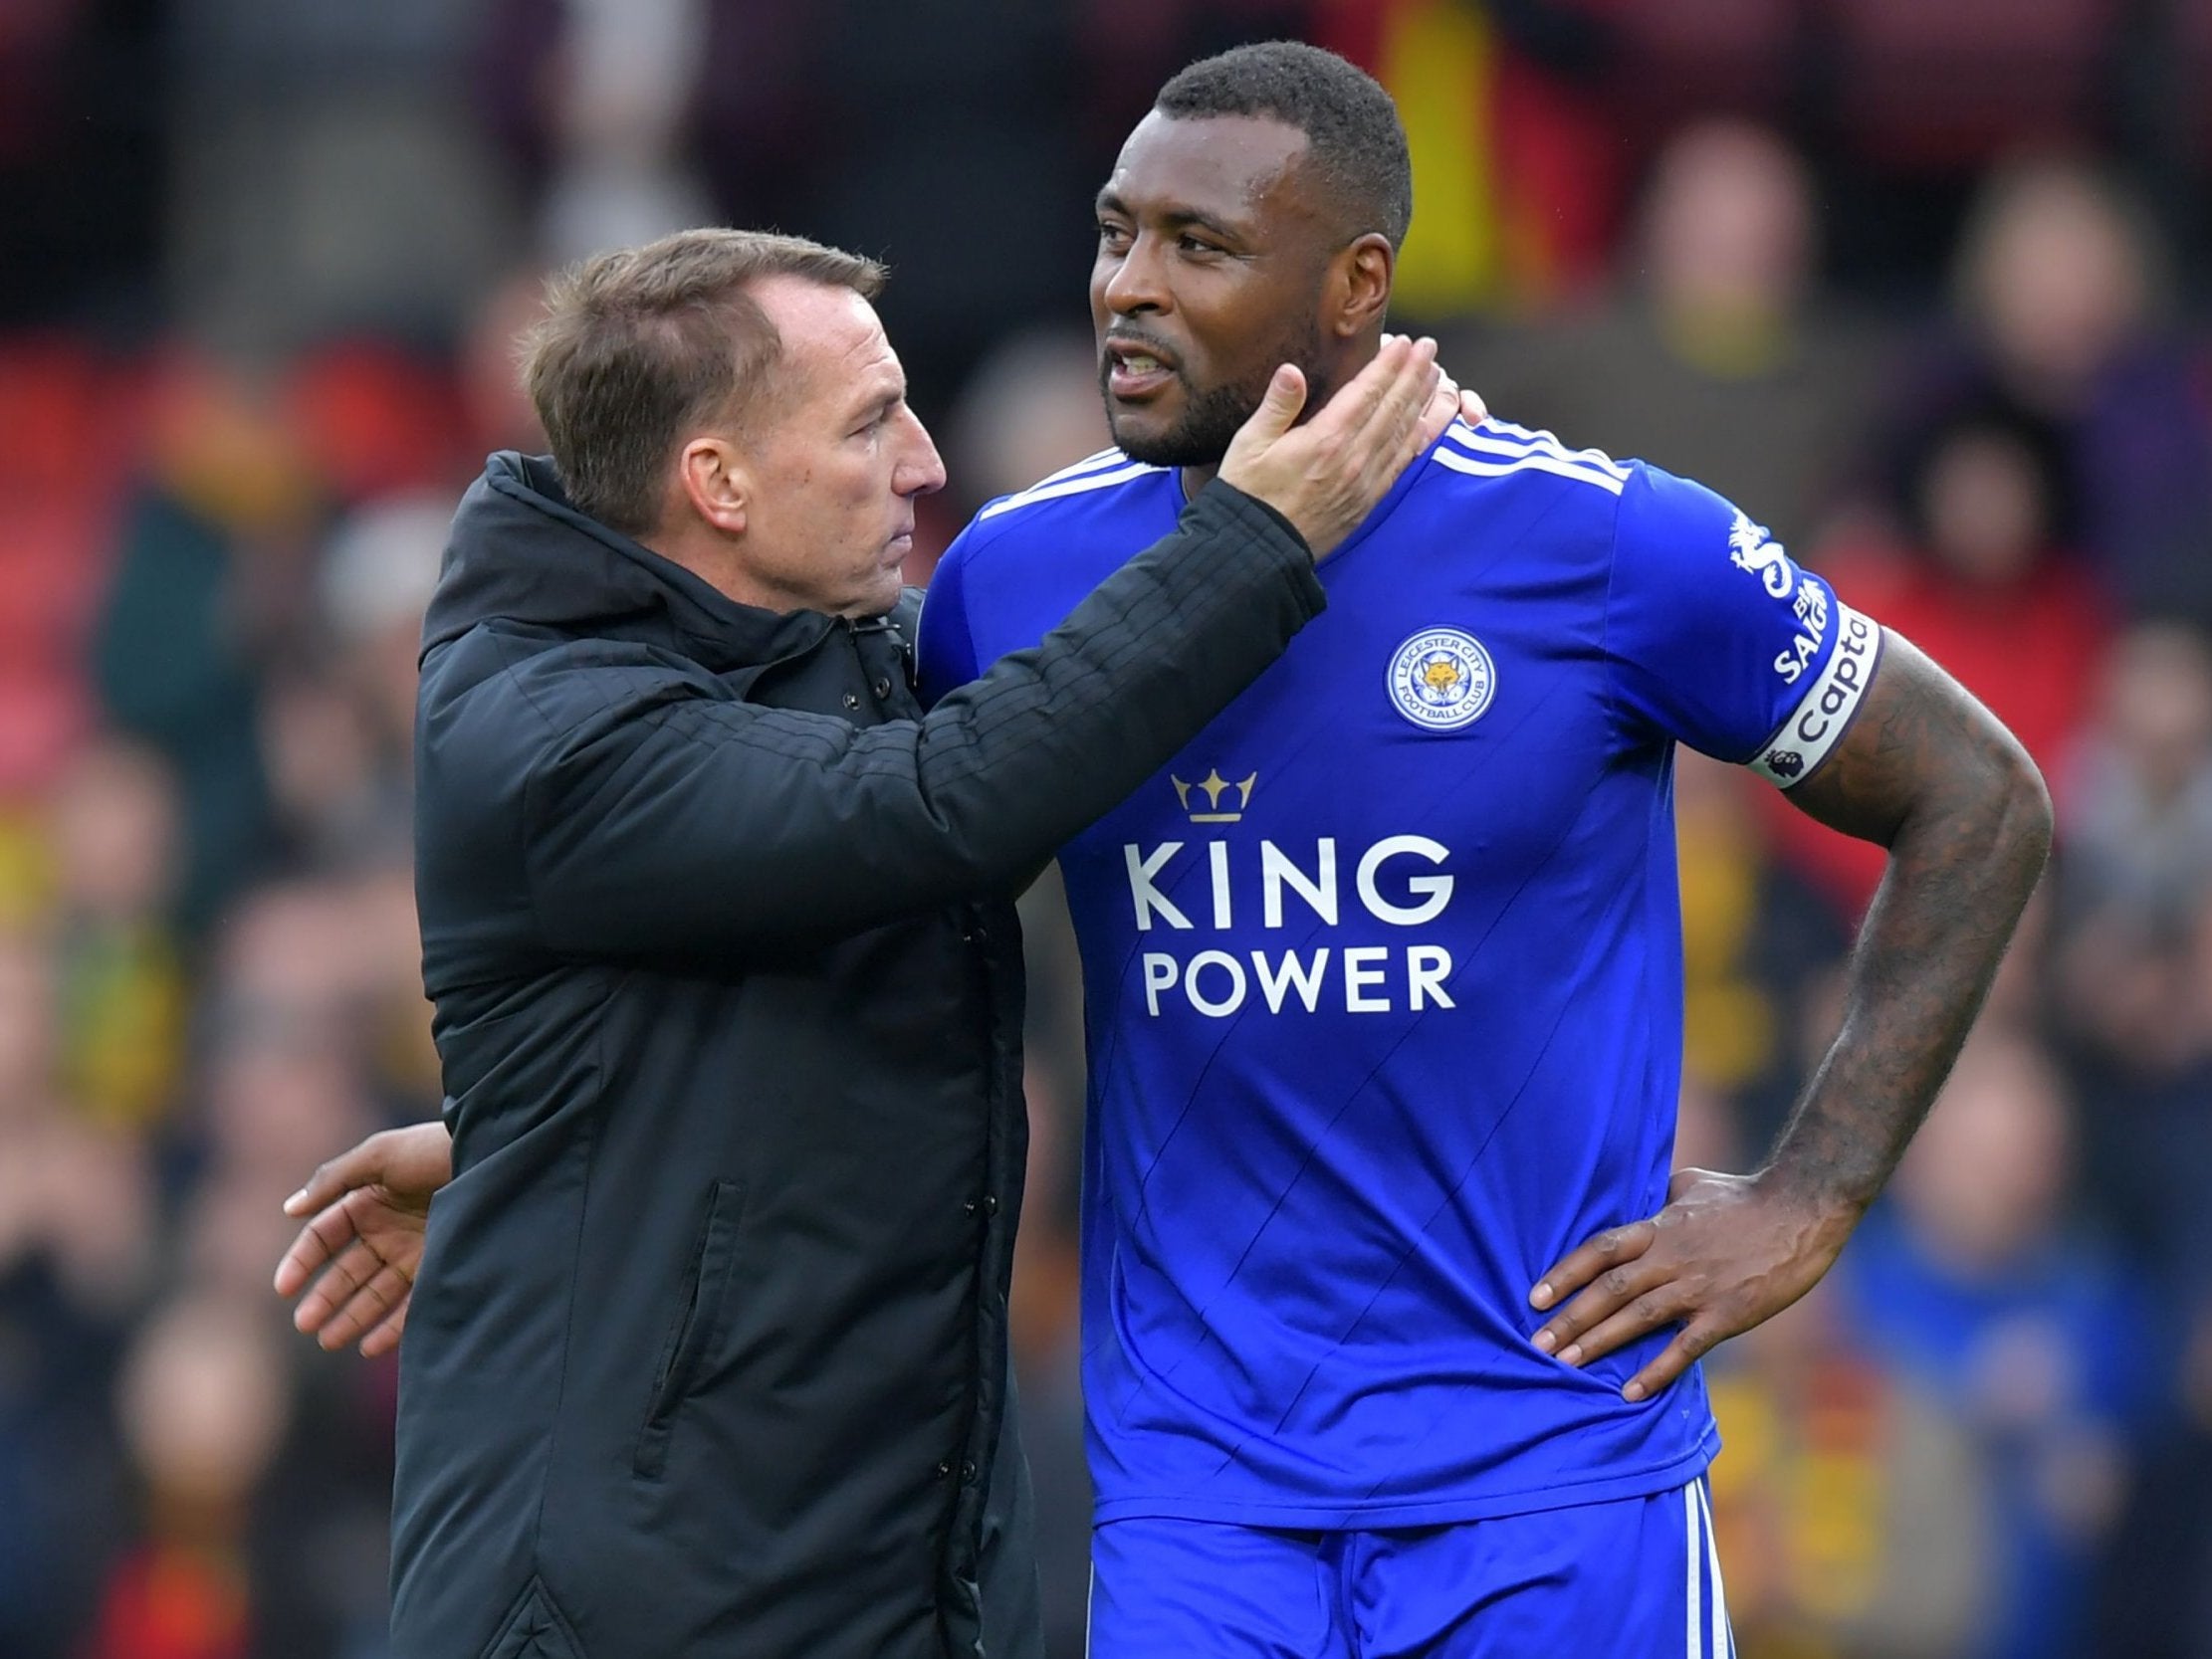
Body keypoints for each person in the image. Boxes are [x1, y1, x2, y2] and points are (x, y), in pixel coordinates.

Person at [285, 46, 2051, 1658]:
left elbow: (1978, 799)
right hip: (1201, 1500)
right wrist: (559, 1137)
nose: (1126, 284)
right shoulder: (1011, 583)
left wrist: (1812, 1199)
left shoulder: (1600, 547)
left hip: (1547, 1467)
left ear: (1356, 283)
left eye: (1196, 246)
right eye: (1115, 231)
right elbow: (852, 884)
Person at [274, 221, 1474, 1659]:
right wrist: (1260, 538)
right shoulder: (548, 734)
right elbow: (941, 805)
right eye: (868, 425)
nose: (924, 463)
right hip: (621, 1617)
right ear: (713, 483)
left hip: (880, 1591)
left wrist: (562, 1153)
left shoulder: (835, 644)